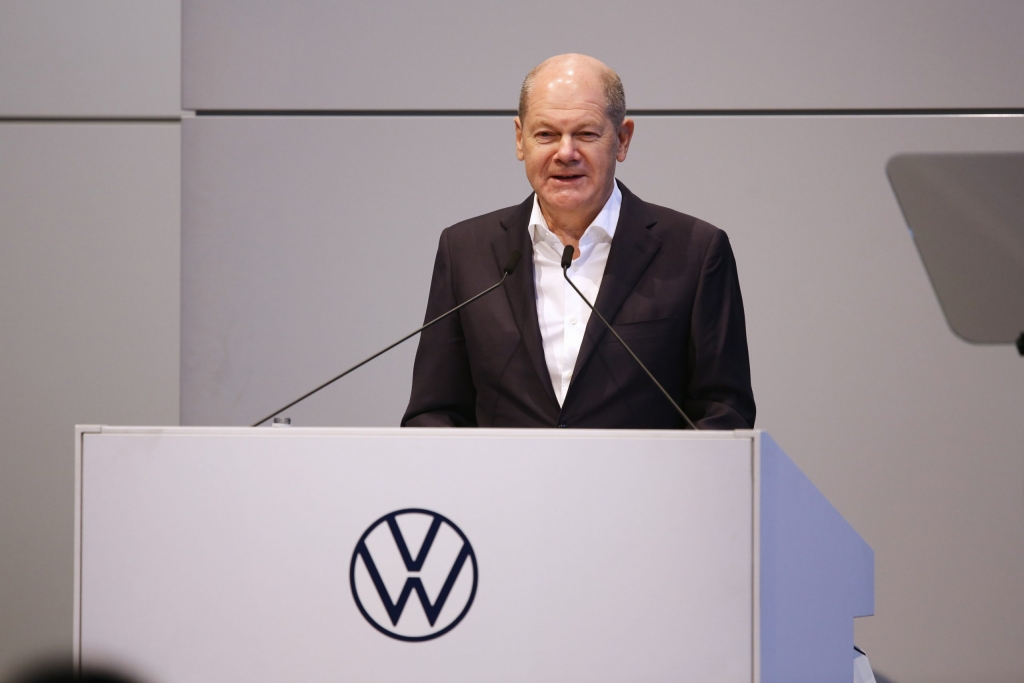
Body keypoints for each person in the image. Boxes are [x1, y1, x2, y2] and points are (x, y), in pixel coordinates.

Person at [402, 54, 754, 429]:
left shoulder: (695, 251)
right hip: (504, 471)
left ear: (622, 140)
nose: (565, 153)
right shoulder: (466, 250)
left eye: (586, 134)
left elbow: (723, 413)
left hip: (639, 471)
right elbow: (434, 411)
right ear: (520, 139)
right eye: (546, 134)